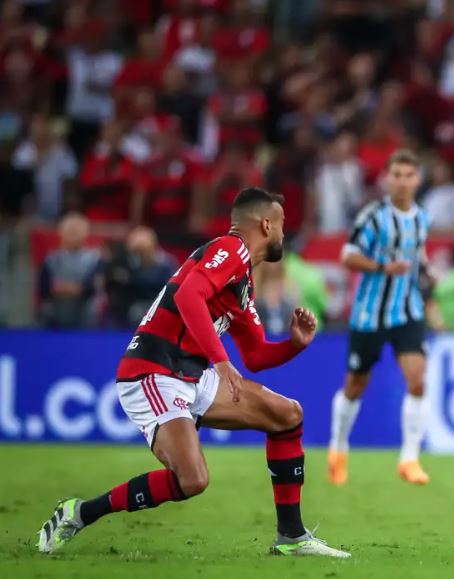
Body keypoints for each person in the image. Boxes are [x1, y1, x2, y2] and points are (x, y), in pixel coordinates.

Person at [37, 188, 350, 558]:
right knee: (193, 480)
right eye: (281, 225)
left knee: (286, 415)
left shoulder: (243, 281)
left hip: (192, 374)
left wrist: (295, 344)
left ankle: (292, 538)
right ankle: (79, 512)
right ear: (267, 224)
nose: (283, 234)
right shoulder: (232, 250)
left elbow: (255, 355)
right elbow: (188, 296)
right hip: (154, 370)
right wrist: (220, 361)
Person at [328, 150, 432, 486]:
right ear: (387, 179)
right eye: (396, 174)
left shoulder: (422, 219)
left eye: (408, 175)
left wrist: (428, 270)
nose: (402, 181)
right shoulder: (373, 217)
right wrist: (383, 268)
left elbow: (418, 254)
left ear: (418, 179)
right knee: (355, 387)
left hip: (407, 311)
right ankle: (338, 447)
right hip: (369, 314)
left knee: (417, 381)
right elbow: (348, 255)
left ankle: (409, 458)